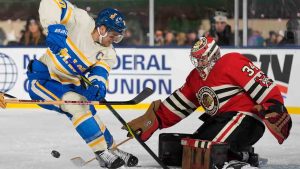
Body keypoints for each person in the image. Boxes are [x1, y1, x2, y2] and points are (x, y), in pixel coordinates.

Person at [124, 37, 292, 168]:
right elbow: (179, 104)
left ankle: (241, 157)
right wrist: (154, 120)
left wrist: (274, 106)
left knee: (210, 152)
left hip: (246, 120)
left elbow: (263, 84)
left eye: (202, 59)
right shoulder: (194, 78)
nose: (199, 64)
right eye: (196, 60)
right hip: (220, 121)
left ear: (213, 56)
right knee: (191, 151)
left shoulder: (231, 62)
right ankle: (241, 153)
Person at [26, 0, 138, 168]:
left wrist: (97, 86)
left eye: (118, 37)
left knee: (90, 111)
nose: (114, 40)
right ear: (101, 29)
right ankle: (101, 154)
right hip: (44, 80)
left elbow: (100, 73)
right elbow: (50, 2)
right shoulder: (81, 20)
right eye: (113, 35)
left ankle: (111, 148)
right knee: (76, 105)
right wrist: (54, 27)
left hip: (70, 83)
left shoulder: (108, 53)